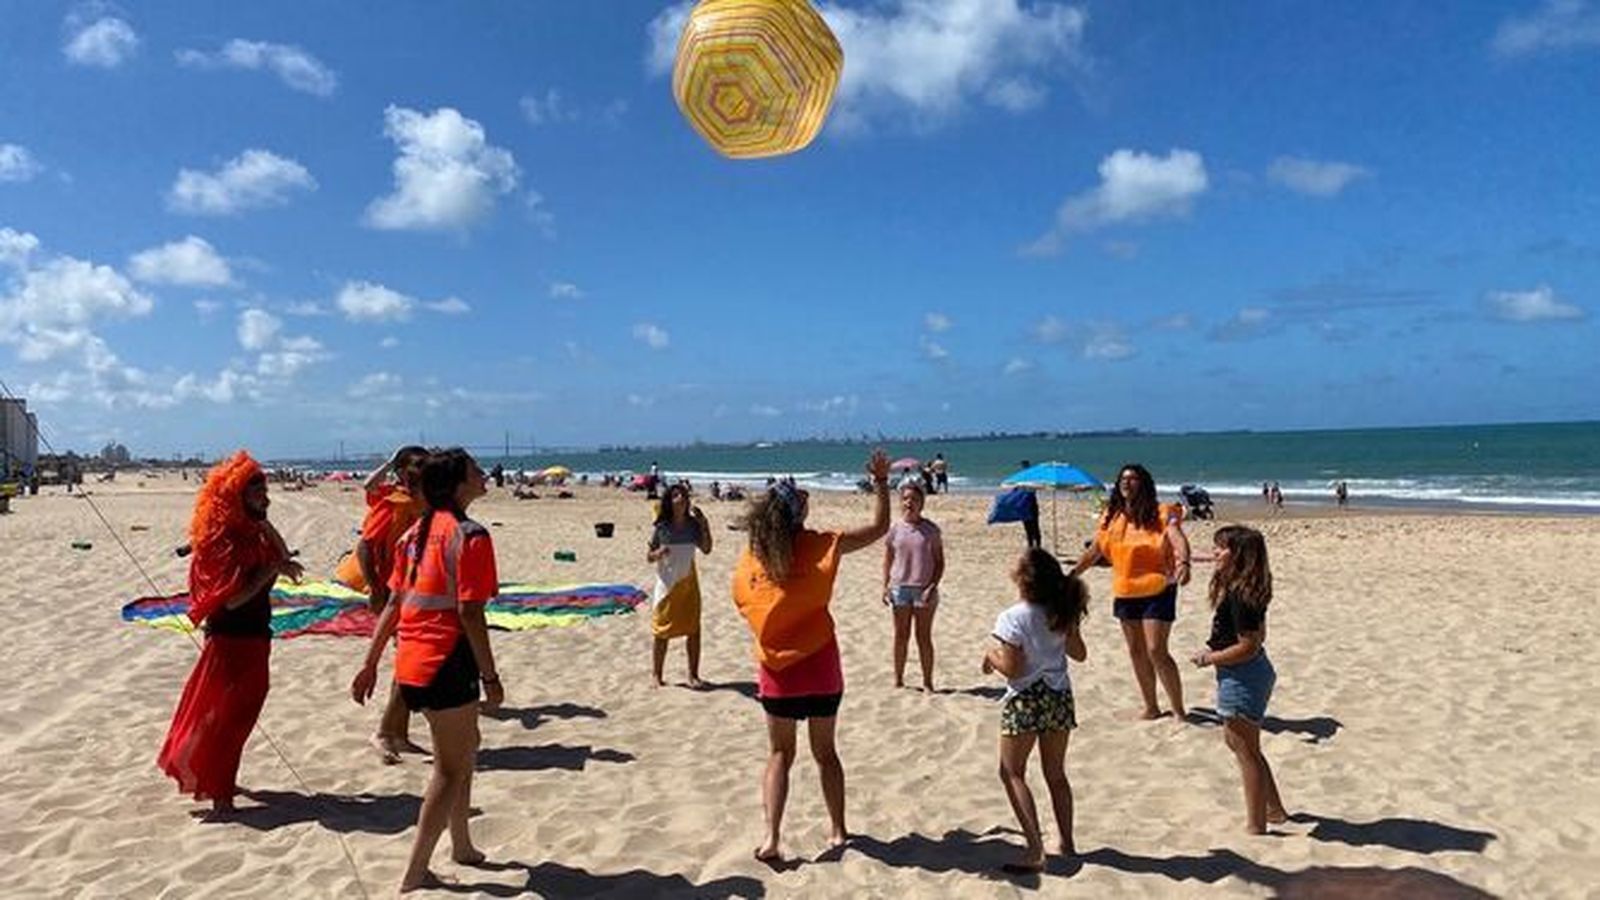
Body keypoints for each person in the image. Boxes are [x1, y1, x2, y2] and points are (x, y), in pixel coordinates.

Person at [351, 449, 504, 893]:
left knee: (465, 748)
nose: (483, 475)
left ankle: (461, 843)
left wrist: (370, 664)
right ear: (458, 484)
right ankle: (416, 871)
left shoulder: (415, 533)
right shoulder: (469, 535)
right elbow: (470, 613)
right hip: (446, 658)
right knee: (449, 769)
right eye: (475, 470)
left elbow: (397, 603)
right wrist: (491, 678)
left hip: (412, 660)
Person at [732, 451, 891, 863]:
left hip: (777, 673)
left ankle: (771, 837)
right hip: (820, 667)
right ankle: (838, 830)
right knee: (826, 753)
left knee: (780, 754)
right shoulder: (821, 544)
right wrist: (881, 484)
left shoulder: (754, 558)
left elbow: (742, 601)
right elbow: (879, 528)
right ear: (797, 514)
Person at [158, 451, 304, 814]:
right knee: (226, 716)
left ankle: (221, 777)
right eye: (257, 494)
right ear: (236, 498)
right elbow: (234, 599)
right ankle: (220, 792)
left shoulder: (251, 532)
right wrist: (270, 569)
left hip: (256, 634)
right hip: (230, 639)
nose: (265, 499)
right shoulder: (220, 540)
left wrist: (262, 521)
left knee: (241, 713)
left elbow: (282, 553)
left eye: (265, 493)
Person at [981, 549, 1088, 873]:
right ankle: (1066, 842)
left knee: (1012, 772)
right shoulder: (1060, 610)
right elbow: (1079, 654)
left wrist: (991, 655)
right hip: (1058, 695)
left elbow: (1013, 669)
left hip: (1026, 698)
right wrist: (1066, 630)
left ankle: (1034, 848)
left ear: (1022, 580)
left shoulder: (1013, 616)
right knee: (1056, 774)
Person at [1071, 463, 1190, 720]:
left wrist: (1184, 561)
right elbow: (1095, 552)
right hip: (1126, 590)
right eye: (1123, 479)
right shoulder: (1111, 517)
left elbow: (1177, 536)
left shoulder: (1162, 512)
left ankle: (1179, 710)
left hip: (1159, 587)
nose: (1127, 483)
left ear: (1144, 484)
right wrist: (1072, 575)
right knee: (1136, 651)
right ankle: (1151, 706)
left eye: (1133, 479)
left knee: (1156, 649)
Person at [1190, 525, 1286, 834]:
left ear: (1240, 555)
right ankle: (1273, 810)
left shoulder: (1241, 596)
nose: (1215, 552)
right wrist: (1213, 647)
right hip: (1249, 671)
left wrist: (1209, 658)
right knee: (1244, 745)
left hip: (1243, 674)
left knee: (1244, 749)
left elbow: (1248, 645)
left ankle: (1256, 824)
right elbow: (1243, 638)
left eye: (1221, 548)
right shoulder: (1243, 587)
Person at [342, 446, 429, 763]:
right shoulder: (392, 501)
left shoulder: (422, 502)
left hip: (412, 588)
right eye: (417, 464)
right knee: (406, 660)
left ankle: (399, 733)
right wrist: (376, 587)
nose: (424, 468)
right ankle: (384, 732)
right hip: (393, 590)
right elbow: (365, 545)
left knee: (404, 662)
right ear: (404, 471)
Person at [881, 479, 944, 691]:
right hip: (899, 588)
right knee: (901, 636)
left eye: (914, 499)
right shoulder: (895, 529)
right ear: (900, 502)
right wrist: (885, 585)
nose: (909, 503)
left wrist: (932, 586)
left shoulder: (931, 530)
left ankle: (927, 682)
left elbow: (940, 562)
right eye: (905, 499)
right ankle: (898, 679)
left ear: (922, 502)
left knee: (923, 637)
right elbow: (888, 558)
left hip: (924, 589)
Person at [648, 482, 713, 688]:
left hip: (688, 583)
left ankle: (693, 675)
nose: (681, 498)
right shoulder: (662, 526)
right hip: (666, 584)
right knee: (661, 631)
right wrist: (658, 554)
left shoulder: (693, 525)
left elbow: (706, 548)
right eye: (675, 495)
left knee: (693, 629)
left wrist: (704, 524)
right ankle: (656, 675)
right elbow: (649, 556)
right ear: (669, 500)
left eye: (683, 495)